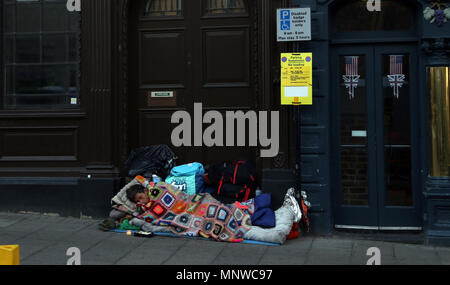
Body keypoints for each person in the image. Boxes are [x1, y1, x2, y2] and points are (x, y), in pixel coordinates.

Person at [123, 177, 303, 244]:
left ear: (144, 191)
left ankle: (279, 211)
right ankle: (284, 212)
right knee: (216, 219)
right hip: (188, 216)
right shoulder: (144, 210)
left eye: (141, 196)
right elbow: (160, 216)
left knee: (220, 209)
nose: (142, 200)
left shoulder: (159, 190)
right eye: (138, 201)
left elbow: (178, 198)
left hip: (196, 204)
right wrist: (142, 214)